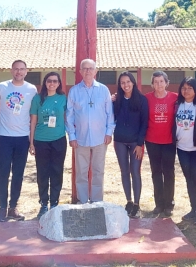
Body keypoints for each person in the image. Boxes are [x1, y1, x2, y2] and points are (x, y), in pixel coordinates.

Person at [0, 60, 37, 222]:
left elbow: (34, 114)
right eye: (16, 69)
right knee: (2, 172)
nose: (19, 72)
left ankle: (13, 207)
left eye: (22, 69)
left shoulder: (31, 89)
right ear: (11, 70)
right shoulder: (2, 87)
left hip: (22, 137)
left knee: (18, 174)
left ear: (26, 71)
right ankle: (2, 207)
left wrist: (32, 140)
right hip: (4, 136)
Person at [66, 59, 115, 204]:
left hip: (100, 138)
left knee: (98, 171)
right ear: (80, 71)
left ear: (95, 71)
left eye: (90, 68)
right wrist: (72, 136)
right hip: (80, 138)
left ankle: (97, 201)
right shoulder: (74, 91)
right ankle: (82, 201)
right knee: (81, 172)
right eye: (85, 68)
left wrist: (109, 132)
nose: (88, 71)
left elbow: (110, 113)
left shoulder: (103, 90)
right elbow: (69, 116)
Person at [29, 72, 67, 219]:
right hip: (41, 140)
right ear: (45, 82)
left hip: (58, 139)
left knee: (57, 171)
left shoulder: (63, 98)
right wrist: (31, 142)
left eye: (55, 81)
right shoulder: (37, 99)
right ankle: (44, 203)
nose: (52, 83)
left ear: (59, 84)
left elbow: (68, 117)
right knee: (43, 173)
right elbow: (33, 121)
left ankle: (55, 202)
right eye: (49, 81)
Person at [112, 72, 148, 218]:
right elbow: (110, 116)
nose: (125, 85)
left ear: (133, 82)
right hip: (119, 140)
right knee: (124, 171)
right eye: (122, 82)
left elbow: (144, 123)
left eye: (128, 82)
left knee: (135, 171)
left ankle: (137, 204)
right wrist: (110, 100)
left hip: (135, 142)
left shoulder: (142, 100)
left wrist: (140, 144)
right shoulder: (117, 100)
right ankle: (129, 201)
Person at [175, 77, 196, 226]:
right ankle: (193, 209)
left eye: (189, 88)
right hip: (182, 148)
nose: (186, 91)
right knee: (189, 180)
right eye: (183, 88)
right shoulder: (177, 104)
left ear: (195, 89)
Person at [145, 71, 177, 217]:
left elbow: (192, 99)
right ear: (152, 84)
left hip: (169, 141)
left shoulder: (175, 97)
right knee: (156, 172)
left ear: (166, 83)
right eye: (156, 82)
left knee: (169, 172)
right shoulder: (147, 98)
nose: (159, 84)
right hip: (152, 141)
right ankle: (159, 204)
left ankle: (169, 204)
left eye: (161, 81)